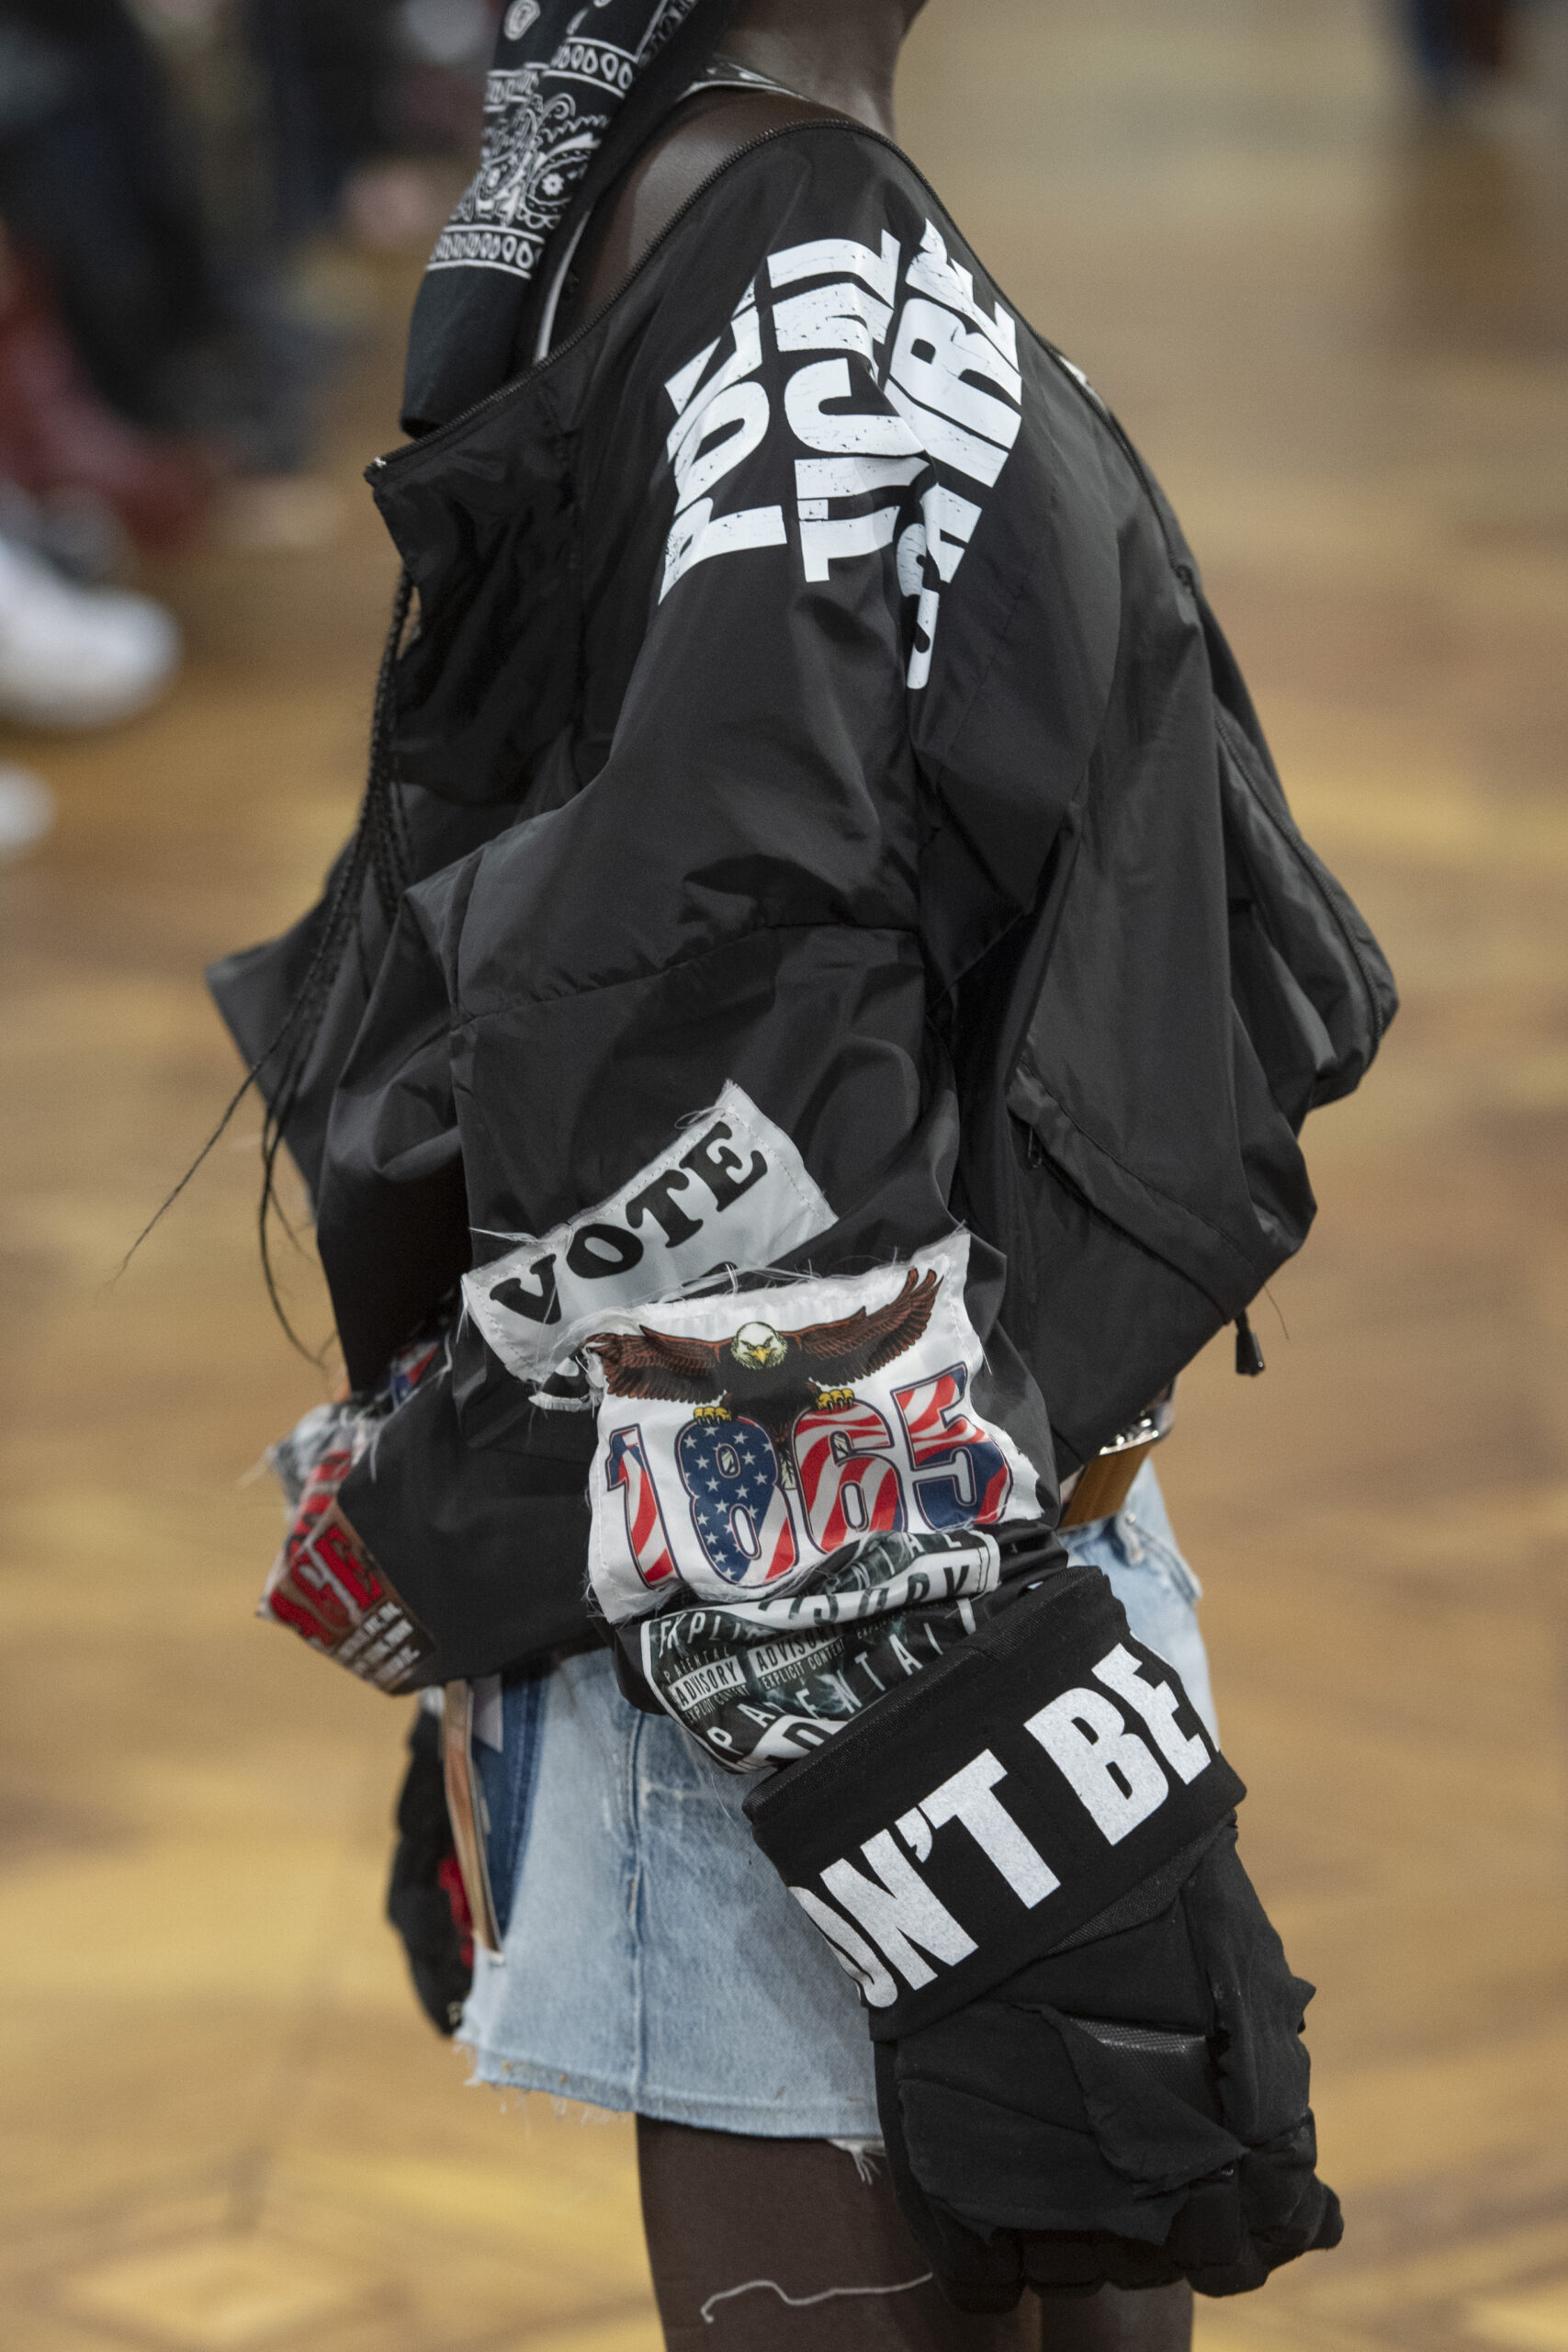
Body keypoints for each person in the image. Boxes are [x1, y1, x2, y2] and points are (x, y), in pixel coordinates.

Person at [209, 2, 1395, 2346]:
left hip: (921, 1508)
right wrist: (897, 1673)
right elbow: (689, 974)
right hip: (850, 1598)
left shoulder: (730, 189)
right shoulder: (784, 238)